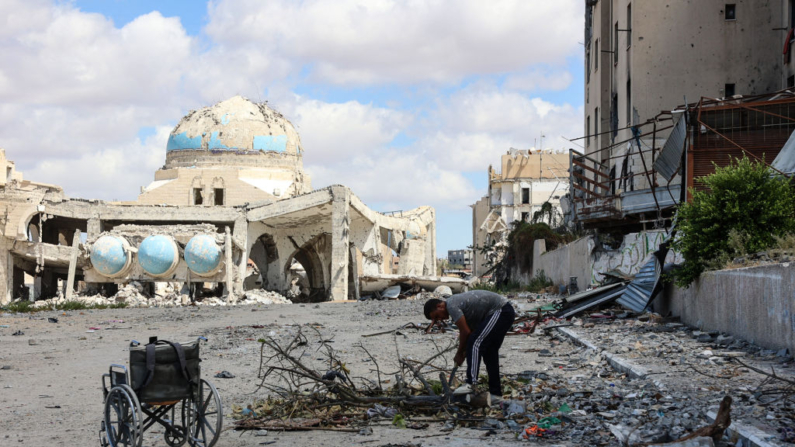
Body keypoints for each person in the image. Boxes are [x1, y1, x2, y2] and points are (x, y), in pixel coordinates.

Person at [424, 290, 515, 404]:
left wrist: (459, 354)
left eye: (437, 316)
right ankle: (495, 394)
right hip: (504, 313)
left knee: (475, 343)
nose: (440, 320)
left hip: (501, 310)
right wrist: (465, 351)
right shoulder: (463, 309)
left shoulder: (451, 305)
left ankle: (471, 383)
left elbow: (465, 332)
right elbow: (471, 331)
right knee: (489, 352)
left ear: (440, 306)